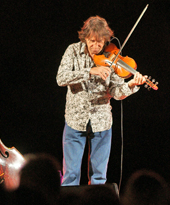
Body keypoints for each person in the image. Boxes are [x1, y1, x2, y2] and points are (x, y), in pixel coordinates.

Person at [56, 16, 146, 186]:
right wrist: (90, 71)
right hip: (75, 120)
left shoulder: (111, 57)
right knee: (71, 176)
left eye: (100, 42)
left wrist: (132, 85)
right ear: (85, 38)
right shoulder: (73, 51)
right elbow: (60, 78)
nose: (96, 46)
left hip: (102, 122)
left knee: (99, 178)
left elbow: (117, 92)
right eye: (92, 41)